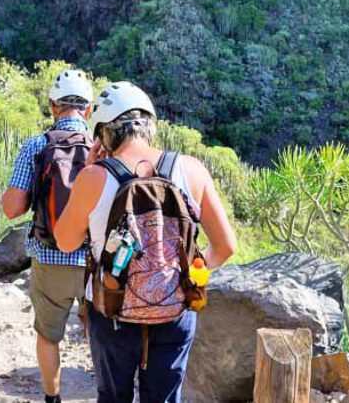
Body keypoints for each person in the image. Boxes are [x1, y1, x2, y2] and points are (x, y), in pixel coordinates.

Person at [53, 82, 238, 403]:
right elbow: (225, 247)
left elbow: (66, 242)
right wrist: (180, 276)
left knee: (113, 397)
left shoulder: (94, 177)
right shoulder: (191, 169)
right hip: (175, 312)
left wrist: (87, 173)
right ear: (149, 126)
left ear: (105, 133)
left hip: (111, 312)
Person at [0, 70, 96, 403]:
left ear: (53, 105)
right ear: (89, 109)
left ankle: (52, 398)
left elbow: (12, 208)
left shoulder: (36, 146)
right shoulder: (103, 151)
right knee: (99, 333)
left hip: (49, 257)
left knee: (48, 335)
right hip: (94, 262)